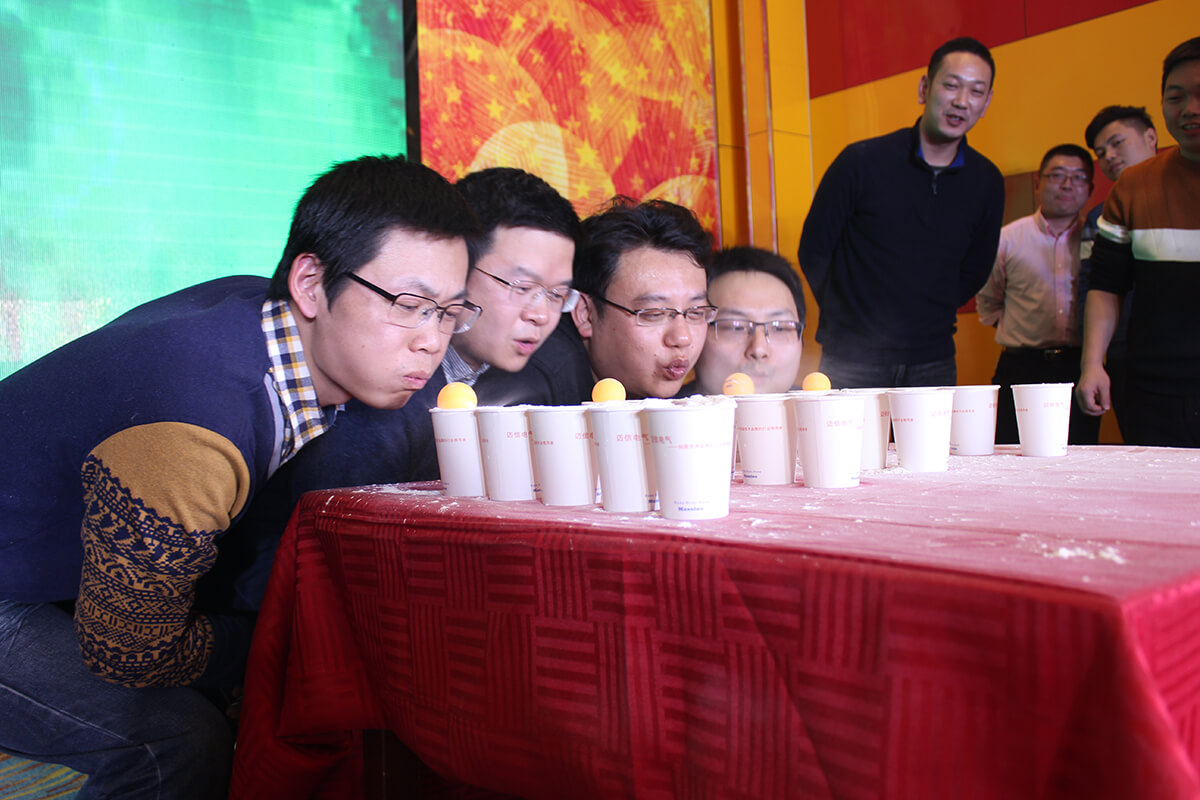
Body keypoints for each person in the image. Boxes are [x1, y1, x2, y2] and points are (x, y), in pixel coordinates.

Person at [0, 154, 481, 799]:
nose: (432, 340)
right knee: (177, 742)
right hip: (13, 593)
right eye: (411, 305)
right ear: (310, 284)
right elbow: (130, 649)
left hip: (44, 571)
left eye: (449, 312)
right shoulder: (197, 430)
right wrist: (285, 648)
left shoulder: (259, 312)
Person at [797, 36, 1005, 389]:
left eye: (976, 91)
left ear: (986, 103)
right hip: (851, 357)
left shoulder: (986, 181)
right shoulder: (861, 162)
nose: (961, 101)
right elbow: (814, 249)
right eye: (951, 85)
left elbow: (975, 269)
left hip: (933, 358)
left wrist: (931, 309)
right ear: (925, 88)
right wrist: (849, 314)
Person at [1077, 36, 1200, 446]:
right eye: (1176, 97)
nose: (1190, 109)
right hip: (1156, 391)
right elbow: (1106, 284)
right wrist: (1093, 363)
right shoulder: (1133, 187)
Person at [976, 144, 1101, 445]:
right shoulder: (1007, 238)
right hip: (1020, 367)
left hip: (1079, 367)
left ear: (1090, 189)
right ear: (1038, 181)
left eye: (1078, 177)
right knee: (1012, 453)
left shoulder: (1098, 242)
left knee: (1079, 454)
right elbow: (989, 303)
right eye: (1057, 175)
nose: (1067, 184)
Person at [566, 196, 715, 399]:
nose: (683, 338)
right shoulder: (545, 395)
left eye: (696, 313)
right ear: (586, 314)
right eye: (654, 314)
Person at [1081, 106, 1159, 436]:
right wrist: (1093, 360)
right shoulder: (1099, 218)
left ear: (1150, 137)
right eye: (1101, 153)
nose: (1109, 156)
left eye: (1117, 143)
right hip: (1127, 354)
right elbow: (1094, 287)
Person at [683, 246, 806, 395]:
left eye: (779, 328)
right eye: (735, 327)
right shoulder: (661, 409)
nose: (758, 350)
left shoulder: (825, 407)